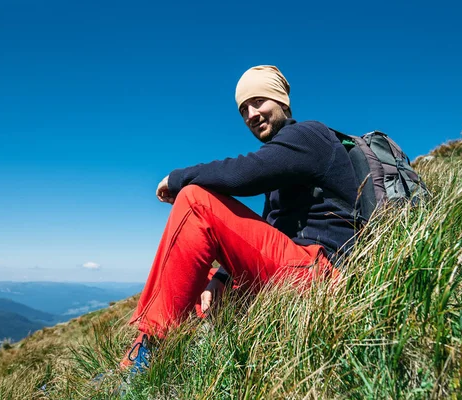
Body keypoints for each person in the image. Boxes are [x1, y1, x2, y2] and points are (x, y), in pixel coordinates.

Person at [120, 65, 359, 371]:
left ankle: (148, 355)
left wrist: (178, 178)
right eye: (244, 109)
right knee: (198, 276)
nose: (251, 114)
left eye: (259, 101)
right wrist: (221, 278)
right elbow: (268, 232)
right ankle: (184, 343)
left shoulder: (308, 135)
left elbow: (243, 174)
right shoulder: (284, 171)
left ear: (283, 102)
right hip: (297, 268)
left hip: (322, 276)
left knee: (195, 200)